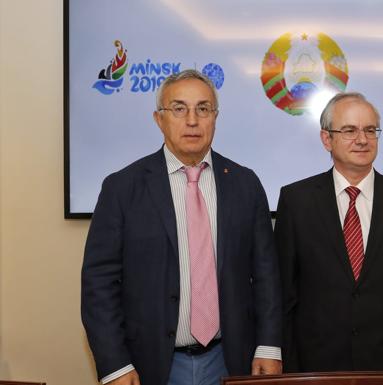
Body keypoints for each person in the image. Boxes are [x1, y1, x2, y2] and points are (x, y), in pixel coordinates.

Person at [81, 69, 282, 385]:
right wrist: (115, 366)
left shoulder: (245, 184)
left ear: (215, 118)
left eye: (203, 109)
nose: (192, 120)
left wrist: (269, 347)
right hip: (150, 365)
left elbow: (267, 274)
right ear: (159, 119)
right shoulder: (122, 188)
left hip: (231, 361)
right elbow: (99, 285)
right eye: (179, 109)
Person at [274, 92, 383, 385]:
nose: (362, 139)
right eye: (349, 130)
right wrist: (290, 370)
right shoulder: (296, 201)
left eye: (370, 130)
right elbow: (285, 296)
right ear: (327, 139)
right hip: (315, 367)